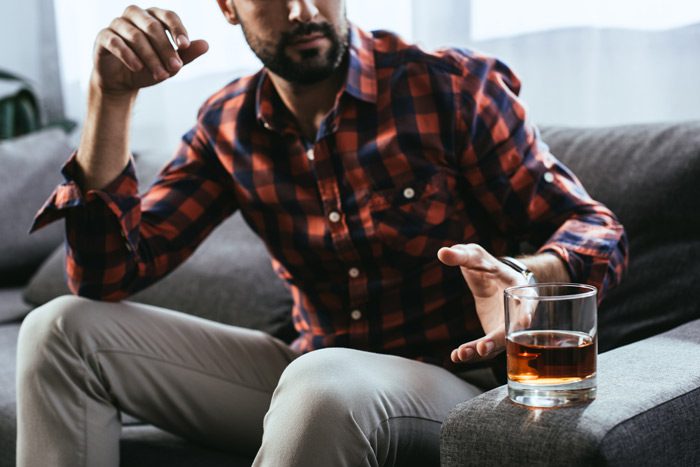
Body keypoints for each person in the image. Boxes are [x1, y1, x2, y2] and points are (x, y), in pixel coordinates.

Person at [17, 1, 628, 466]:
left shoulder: (448, 87)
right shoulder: (227, 124)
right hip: (308, 383)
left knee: (323, 379)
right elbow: (103, 277)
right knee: (57, 328)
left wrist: (525, 277)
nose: (304, 11)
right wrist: (109, 98)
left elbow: (596, 228)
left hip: (455, 387)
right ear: (227, 8)